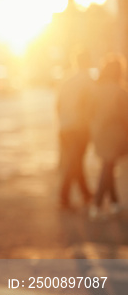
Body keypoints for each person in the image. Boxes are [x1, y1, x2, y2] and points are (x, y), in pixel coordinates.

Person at [88, 53, 128, 220]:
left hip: (98, 133)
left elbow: (89, 111)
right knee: (107, 167)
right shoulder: (119, 91)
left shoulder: (96, 89)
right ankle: (97, 205)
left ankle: (114, 203)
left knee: (108, 167)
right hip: (113, 134)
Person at [56, 51, 94, 210]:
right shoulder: (88, 80)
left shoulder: (66, 80)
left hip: (64, 127)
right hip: (79, 127)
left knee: (76, 161)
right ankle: (64, 197)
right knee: (74, 162)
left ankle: (86, 193)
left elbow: (57, 105)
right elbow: (90, 106)